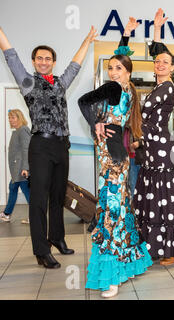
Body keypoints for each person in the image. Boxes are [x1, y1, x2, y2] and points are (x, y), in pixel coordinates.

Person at [0, 26, 97, 269]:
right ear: (34, 62)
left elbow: (75, 65)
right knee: (39, 201)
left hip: (62, 145)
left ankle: (57, 238)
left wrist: (87, 40)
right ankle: (41, 250)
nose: (44, 62)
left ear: (53, 62)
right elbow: (10, 55)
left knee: (58, 196)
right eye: (40, 58)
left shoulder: (60, 84)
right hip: (41, 145)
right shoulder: (28, 82)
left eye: (48, 58)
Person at [78, 29, 152, 298]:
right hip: (114, 159)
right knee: (119, 210)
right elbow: (87, 105)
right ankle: (126, 266)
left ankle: (114, 276)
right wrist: (96, 123)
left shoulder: (123, 89)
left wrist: (94, 122)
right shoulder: (124, 89)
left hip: (114, 161)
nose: (112, 72)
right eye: (110, 68)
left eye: (117, 68)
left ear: (128, 71)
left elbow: (82, 101)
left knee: (113, 212)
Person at [132, 9, 174, 266]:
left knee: (162, 195)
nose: (159, 64)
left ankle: (170, 250)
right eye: (157, 61)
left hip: (158, 147)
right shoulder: (158, 85)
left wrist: (135, 135)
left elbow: (149, 121)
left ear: (172, 67)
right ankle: (158, 247)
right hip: (153, 147)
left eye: (165, 62)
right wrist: (156, 28)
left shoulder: (167, 86)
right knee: (154, 195)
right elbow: (157, 49)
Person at [0, 109, 31, 224]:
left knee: (27, 193)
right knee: (13, 188)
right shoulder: (18, 130)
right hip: (17, 169)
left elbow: (26, 150)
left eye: (13, 117)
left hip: (21, 169)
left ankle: (35, 216)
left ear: (19, 118)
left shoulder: (23, 130)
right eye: (9, 118)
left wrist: (25, 168)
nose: (10, 120)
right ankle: (7, 214)